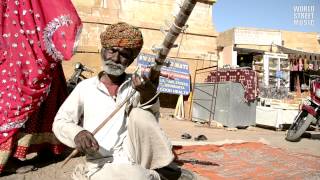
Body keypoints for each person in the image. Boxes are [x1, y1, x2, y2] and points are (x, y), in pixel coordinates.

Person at [53, 22, 195, 180]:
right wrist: (78, 133)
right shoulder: (84, 88)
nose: (115, 58)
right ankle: (157, 175)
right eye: (111, 51)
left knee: (141, 115)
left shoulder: (137, 85)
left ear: (131, 59)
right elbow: (60, 121)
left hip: (134, 156)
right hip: (101, 161)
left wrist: (148, 94)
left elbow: (151, 122)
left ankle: (154, 169)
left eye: (124, 55)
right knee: (135, 177)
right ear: (102, 50)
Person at [0, 0, 82, 173]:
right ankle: (6, 159)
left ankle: (50, 147)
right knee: (18, 95)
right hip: (20, 42)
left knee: (48, 92)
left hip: (27, 41)